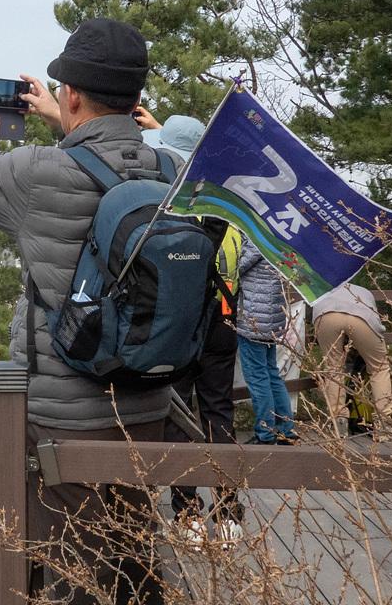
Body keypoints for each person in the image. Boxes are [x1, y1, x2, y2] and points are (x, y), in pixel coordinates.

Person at [0, 18, 172, 604]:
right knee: (134, 558)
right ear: (136, 97)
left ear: (73, 96)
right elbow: (112, 152)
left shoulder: (42, 174)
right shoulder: (171, 170)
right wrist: (65, 118)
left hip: (65, 418)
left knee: (71, 569)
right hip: (148, 405)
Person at [138, 111, 245, 548]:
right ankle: (230, 513)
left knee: (179, 415)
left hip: (185, 324)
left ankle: (188, 514)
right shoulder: (227, 207)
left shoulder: (174, 206)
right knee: (219, 413)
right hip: (225, 319)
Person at [235, 236, 298, 445]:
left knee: (258, 378)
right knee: (271, 374)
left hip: (254, 319)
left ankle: (266, 434)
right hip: (272, 317)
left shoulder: (258, 236)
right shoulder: (283, 237)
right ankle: (286, 431)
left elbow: (237, 267)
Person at [311, 283, 392, 437]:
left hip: (325, 314)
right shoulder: (364, 291)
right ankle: (384, 423)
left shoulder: (321, 290)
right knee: (379, 367)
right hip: (361, 317)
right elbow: (376, 322)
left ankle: (338, 419)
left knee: (333, 367)